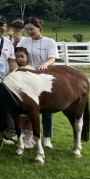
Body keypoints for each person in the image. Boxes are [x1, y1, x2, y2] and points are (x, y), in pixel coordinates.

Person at [17, 16, 60, 149]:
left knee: (46, 109)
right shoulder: (24, 41)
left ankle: (47, 137)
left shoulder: (49, 41)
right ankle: (27, 134)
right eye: (27, 29)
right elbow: (18, 53)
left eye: (32, 29)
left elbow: (53, 57)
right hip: (29, 76)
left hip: (44, 76)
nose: (30, 32)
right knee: (27, 107)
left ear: (39, 27)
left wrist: (44, 64)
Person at [14, 46, 36, 148]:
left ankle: (28, 139)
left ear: (27, 57)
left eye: (22, 56)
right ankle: (21, 135)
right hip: (18, 99)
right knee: (20, 119)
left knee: (30, 119)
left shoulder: (32, 69)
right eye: (16, 57)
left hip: (31, 99)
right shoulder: (13, 69)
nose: (19, 59)